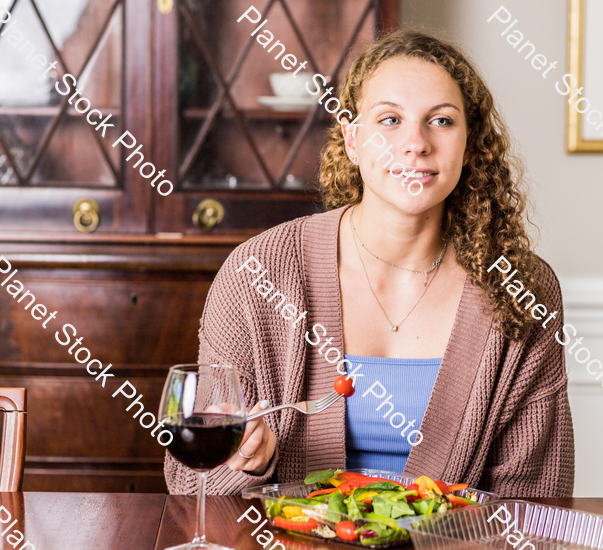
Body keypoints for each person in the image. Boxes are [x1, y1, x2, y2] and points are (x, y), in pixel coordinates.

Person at [164, 29, 575, 498]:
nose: (415, 143)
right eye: (389, 119)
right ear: (353, 141)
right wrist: (251, 467)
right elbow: (187, 484)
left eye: (441, 121)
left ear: (470, 144)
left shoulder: (522, 289)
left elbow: (536, 501)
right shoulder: (256, 274)